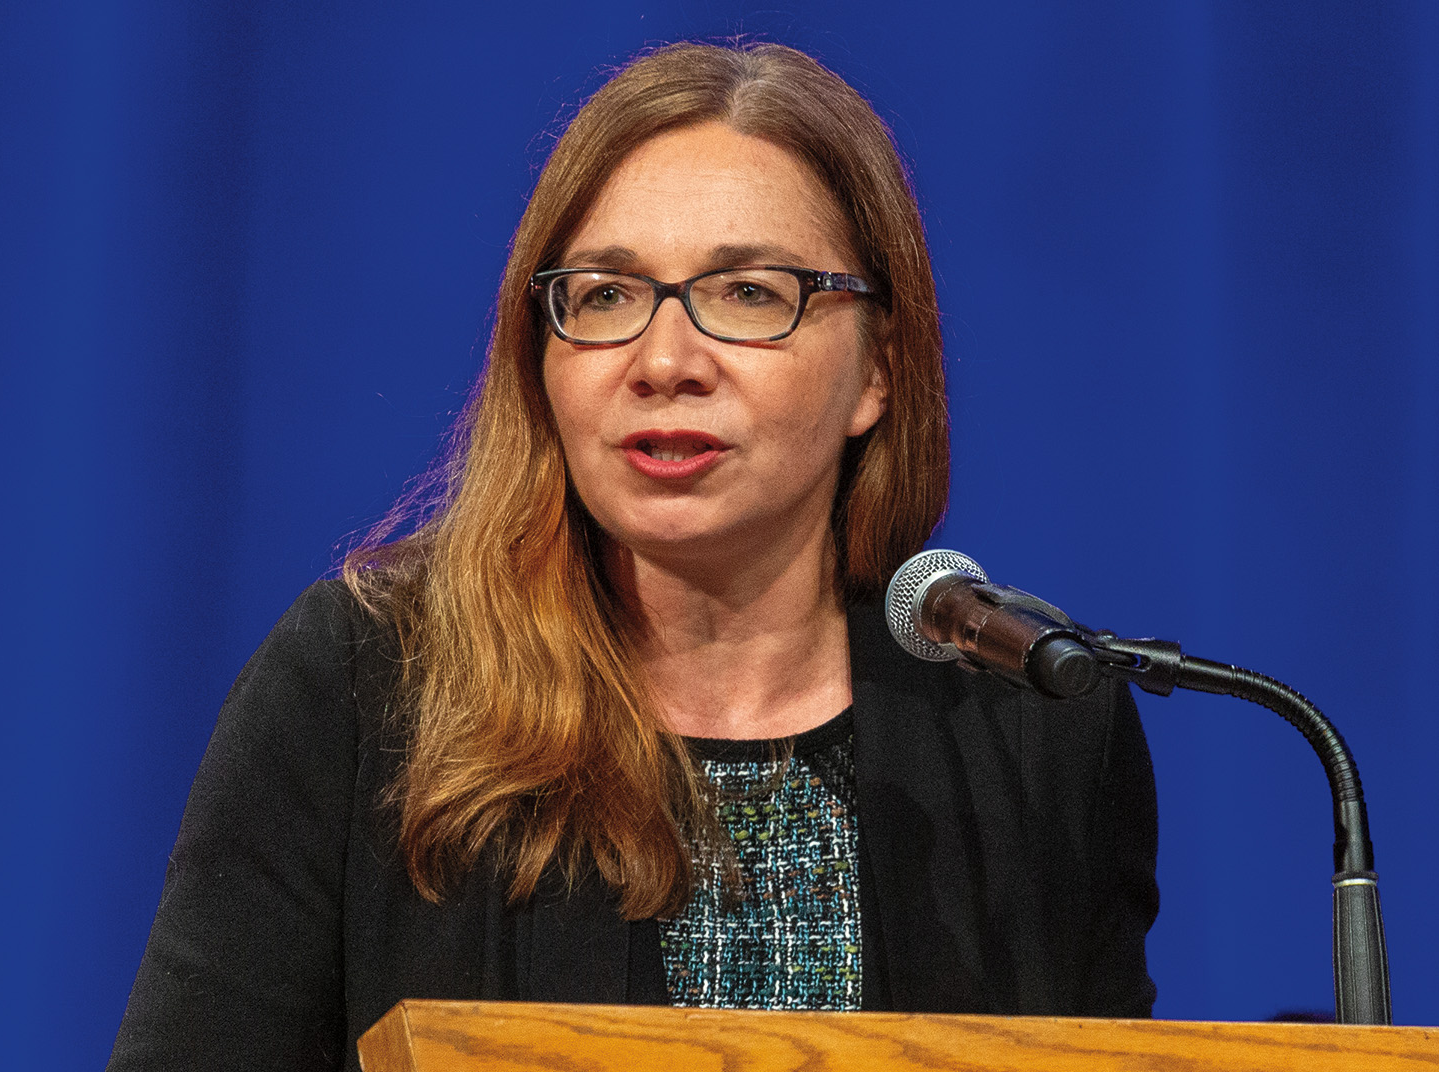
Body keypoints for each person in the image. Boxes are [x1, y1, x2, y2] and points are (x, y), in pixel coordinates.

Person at [107, 41, 1158, 1071]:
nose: (664, 361)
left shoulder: (1033, 726)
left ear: (879, 370)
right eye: (605, 295)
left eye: (749, 292)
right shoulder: (366, 687)